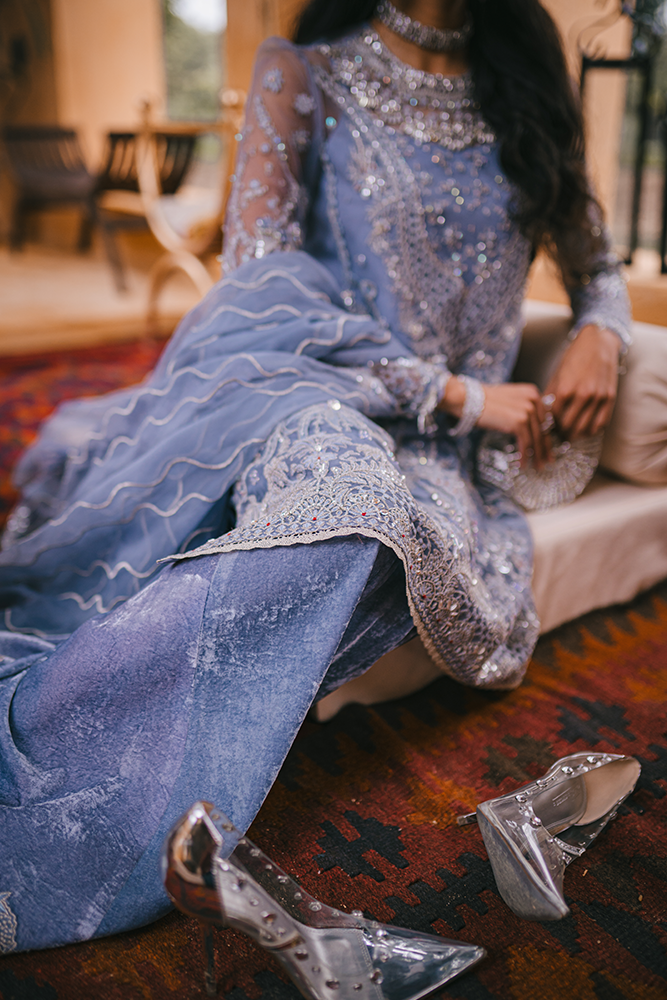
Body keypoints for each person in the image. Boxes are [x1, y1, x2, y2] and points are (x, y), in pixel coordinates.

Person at [0, 0, 631, 955]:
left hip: (451, 453)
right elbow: (262, 289)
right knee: (352, 509)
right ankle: (48, 740)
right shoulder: (304, 75)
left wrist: (603, 331)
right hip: (313, 390)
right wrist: (456, 393)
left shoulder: (527, 85)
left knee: (389, 537)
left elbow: (596, 260)